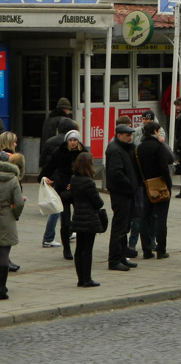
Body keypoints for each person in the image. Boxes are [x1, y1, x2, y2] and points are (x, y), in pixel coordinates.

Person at [40, 124, 82, 258]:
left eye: (75, 140)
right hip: (62, 189)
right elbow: (49, 166)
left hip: (77, 189)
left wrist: (75, 183)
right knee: (65, 221)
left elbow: (87, 172)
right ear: (67, 141)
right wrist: (43, 177)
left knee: (79, 219)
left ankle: (80, 247)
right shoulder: (59, 152)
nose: (73, 143)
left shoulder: (83, 153)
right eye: (70, 140)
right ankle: (67, 248)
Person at [135, 120, 174, 259]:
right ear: (155, 132)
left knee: (145, 217)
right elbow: (166, 165)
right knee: (161, 218)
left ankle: (146, 249)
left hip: (146, 185)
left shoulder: (139, 148)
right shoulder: (158, 146)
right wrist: (169, 185)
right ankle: (161, 249)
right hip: (160, 185)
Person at [105, 123, 139, 271]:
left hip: (126, 193)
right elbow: (116, 173)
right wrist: (130, 185)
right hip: (121, 193)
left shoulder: (124, 149)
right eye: (127, 135)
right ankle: (114, 260)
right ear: (119, 136)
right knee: (119, 227)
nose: (130, 138)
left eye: (131, 135)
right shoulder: (115, 150)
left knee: (124, 227)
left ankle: (121, 256)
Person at [69, 152, 104, 288]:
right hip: (89, 218)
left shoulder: (74, 179)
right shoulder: (88, 182)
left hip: (78, 216)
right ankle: (87, 278)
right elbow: (98, 202)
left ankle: (80, 278)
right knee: (87, 249)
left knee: (79, 248)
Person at [0, 149, 25, 300]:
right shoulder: (13, 179)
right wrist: (14, 214)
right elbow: (19, 202)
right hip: (7, 218)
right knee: (4, 253)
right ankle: (2, 287)